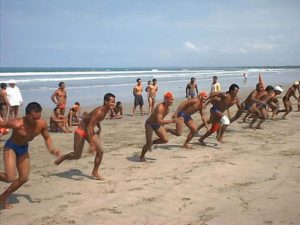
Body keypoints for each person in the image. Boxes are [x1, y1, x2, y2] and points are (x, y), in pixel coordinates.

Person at [0, 102, 60, 209]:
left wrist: (51, 148)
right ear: (27, 115)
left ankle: (3, 197)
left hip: (23, 149)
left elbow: (47, 137)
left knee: (23, 178)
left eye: (39, 117)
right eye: (34, 118)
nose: (36, 121)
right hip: (11, 147)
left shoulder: (41, 124)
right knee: (10, 177)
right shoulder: (17, 123)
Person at [55, 93, 116, 180]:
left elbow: (92, 118)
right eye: (112, 102)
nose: (113, 104)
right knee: (77, 155)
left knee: (100, 151)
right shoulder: (99, 111)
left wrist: (99, 128)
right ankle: (64, 157)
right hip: (81, 131)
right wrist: (91, 144)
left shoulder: (105, 111)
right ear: (106, 101)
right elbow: (89, 126)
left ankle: (95, 172)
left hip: (89, 131)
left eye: (114, 102)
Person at [140, 92, 176, 162]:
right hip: (149, 124)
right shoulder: (160, 107)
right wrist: (172, 121)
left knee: (165, 140)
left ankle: (152, 142)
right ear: (165, 99)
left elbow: (161, 120)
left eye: (172, 99)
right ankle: (142, 157)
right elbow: (159, 120)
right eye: (170, 99)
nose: (172, 101)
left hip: (157, 124)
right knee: (148, 142)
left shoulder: (167, 109)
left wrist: (162, 128)